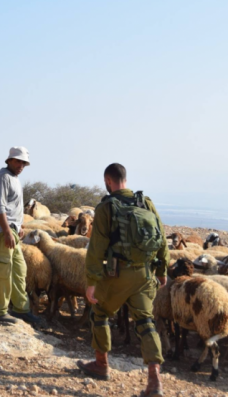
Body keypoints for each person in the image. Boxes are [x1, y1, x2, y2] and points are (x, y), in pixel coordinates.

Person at [76, 163, 169, 397]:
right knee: (146, 321)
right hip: (145, 274)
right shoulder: (145, 202)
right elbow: (162, 238)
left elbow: (96, 249)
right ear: (125, 179)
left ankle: (101, 364)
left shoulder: (107, 207)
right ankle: (154, 379)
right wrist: (162, 270)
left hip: (117, 274)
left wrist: (91, 282)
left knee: (99, 313)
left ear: (108, 181)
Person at [0, 146, 42, 326]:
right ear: (9, 160)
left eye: (24, 162)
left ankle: (21, 309)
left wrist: (18, 227)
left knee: (19, 269)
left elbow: (13, 207)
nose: (21, 165)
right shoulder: (3, 178)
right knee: (3, 270)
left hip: (12, 231)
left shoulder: (14, 178)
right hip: (3, 232)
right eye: (18, 161)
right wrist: (8, 231)